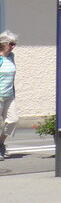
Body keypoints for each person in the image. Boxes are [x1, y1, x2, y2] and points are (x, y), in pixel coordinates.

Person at [0, 31, 17, 159]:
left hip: (9, 96)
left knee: (13, 120)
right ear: (3, 44)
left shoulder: (11, 57)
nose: (13, 46)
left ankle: (1, 143)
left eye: (14, 44)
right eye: (11, 44)